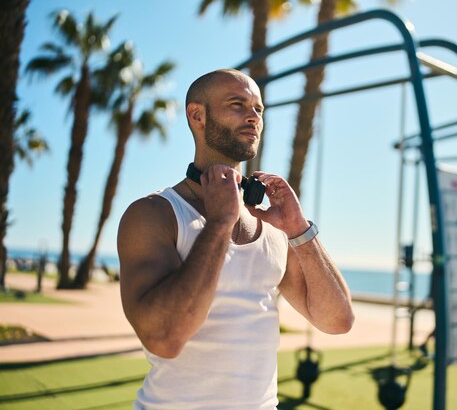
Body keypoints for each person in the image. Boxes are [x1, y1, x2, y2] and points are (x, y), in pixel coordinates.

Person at [117, 68, 354, 410]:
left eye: (258, 109)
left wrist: (300, 230)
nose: (253, 117)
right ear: (197, 116)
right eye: (237, 104)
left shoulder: (273, 227)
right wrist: (220, 223)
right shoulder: (153, 214)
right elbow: (165, 338)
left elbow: (338, 320)